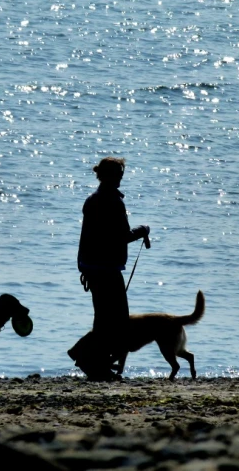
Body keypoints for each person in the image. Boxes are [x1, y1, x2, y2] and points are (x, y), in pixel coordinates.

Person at [71, 156, 150, 380]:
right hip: (107, 268)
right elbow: (123, 237)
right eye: (119, 175)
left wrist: (83, 266)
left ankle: (95, 362)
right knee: (117, 320)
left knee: (103, 318)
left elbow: (85, 238)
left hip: (90, 266)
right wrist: (143, 230)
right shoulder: (114, 202)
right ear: (111, 176)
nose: (120, 179)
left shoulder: (91, 200)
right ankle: (88, 359)